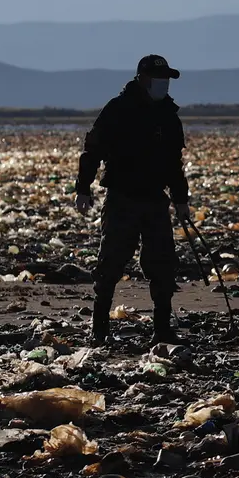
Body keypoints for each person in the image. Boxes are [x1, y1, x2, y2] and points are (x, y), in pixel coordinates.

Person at [74, 54, 191, 346]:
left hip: (155, 199)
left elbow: (173, 163)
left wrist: (181, 199)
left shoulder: (168, 115)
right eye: (158, 79)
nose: (163, 85)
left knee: (163, 265)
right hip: (122, 199)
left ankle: (162, 329)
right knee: (111, 263)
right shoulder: (118, 109)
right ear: (143, 79)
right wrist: (83, 188)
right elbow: (92, 151)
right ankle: (99, 328)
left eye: (166, 80)